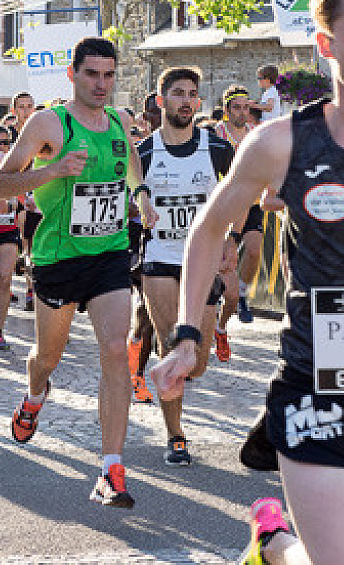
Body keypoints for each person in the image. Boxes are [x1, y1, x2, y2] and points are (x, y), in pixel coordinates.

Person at [149, 0, 344, 563]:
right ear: (327, 42)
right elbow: (207, 232)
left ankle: (273, 545)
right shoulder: (281, 143)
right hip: (314, 389)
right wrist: (184, 336)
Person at [0, 37, 156, 509]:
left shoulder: (120, 121)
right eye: (92, 75)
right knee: (47, 356)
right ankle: (35, 396)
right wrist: (55, 169)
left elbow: (131, 157)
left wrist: (140, 192)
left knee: (113, 350)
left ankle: (110, 469)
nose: (101, 84)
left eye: (109, 75)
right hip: (58, 259)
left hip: (109, 254)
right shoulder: (49, 123)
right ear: (73, 75)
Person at [137, 67, 237, 466]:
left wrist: (232, 236)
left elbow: (240, 196)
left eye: (192, 94)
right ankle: (175, 435)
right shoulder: (143, 154)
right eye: (177, 93)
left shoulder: (216, 149)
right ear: (161, 101)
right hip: (159, 259)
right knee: (170, 345)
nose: (186, 101)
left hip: (204, 262)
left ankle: (177, 374)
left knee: (195, 362)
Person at [212, 85, 263, 350]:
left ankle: (242, 293)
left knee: (254, 251)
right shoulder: (215, 135)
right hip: (225, 205)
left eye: (246, 107)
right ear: (226, 110)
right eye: (237, 108)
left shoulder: (255, 134)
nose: (242, 112)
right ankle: (218, 319)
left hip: (252, 202)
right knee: (224, 265)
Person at [0, 124, 21, 350]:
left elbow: (21, 198)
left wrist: (13, 204)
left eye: (5, 143)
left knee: (6, 279)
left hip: (7, 229)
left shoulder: (14, 166)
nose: (1, 147)